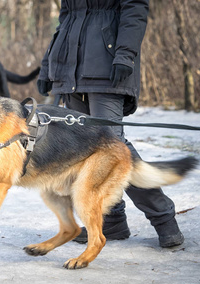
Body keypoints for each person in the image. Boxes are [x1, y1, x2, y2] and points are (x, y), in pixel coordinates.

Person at [37, 0, 184, 249]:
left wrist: (125, 54)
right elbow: (65, 21)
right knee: (83, 153)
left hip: (106, 66)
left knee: (113, 149)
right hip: (69, 72)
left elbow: (135, 10)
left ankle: (163, 217)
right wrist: (47, 66)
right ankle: (112, 219)